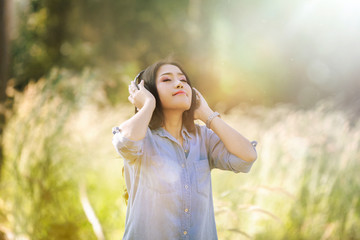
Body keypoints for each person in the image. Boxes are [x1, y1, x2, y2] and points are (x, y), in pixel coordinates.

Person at [112, 60, 257, 240]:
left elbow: (247, 157)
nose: (179, 83)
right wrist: (148, 104)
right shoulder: (143, 137)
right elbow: (125, 143)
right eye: (166, 80)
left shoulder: (203, 138)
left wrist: (207, 115)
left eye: (183, 80)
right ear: (147, 91)